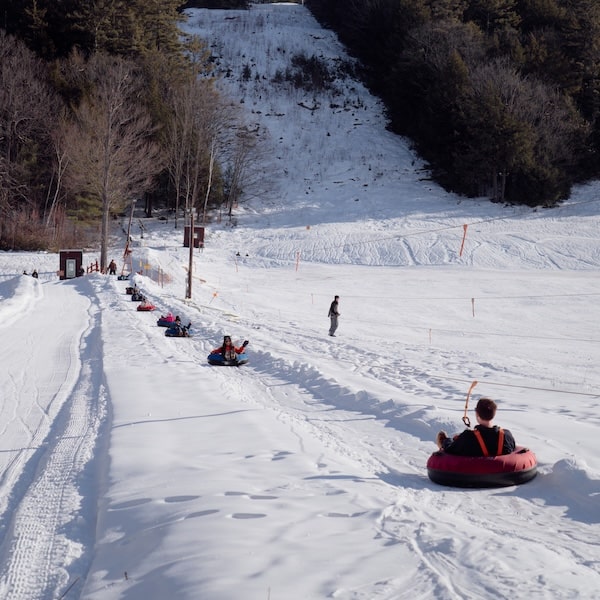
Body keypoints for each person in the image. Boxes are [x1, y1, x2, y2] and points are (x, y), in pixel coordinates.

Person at [436, 397, 516, 456]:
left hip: (471, 475)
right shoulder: (506, 435)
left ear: (477, 414)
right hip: (504, 476)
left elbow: (450, 450)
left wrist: (446, 441)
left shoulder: (468, 437)